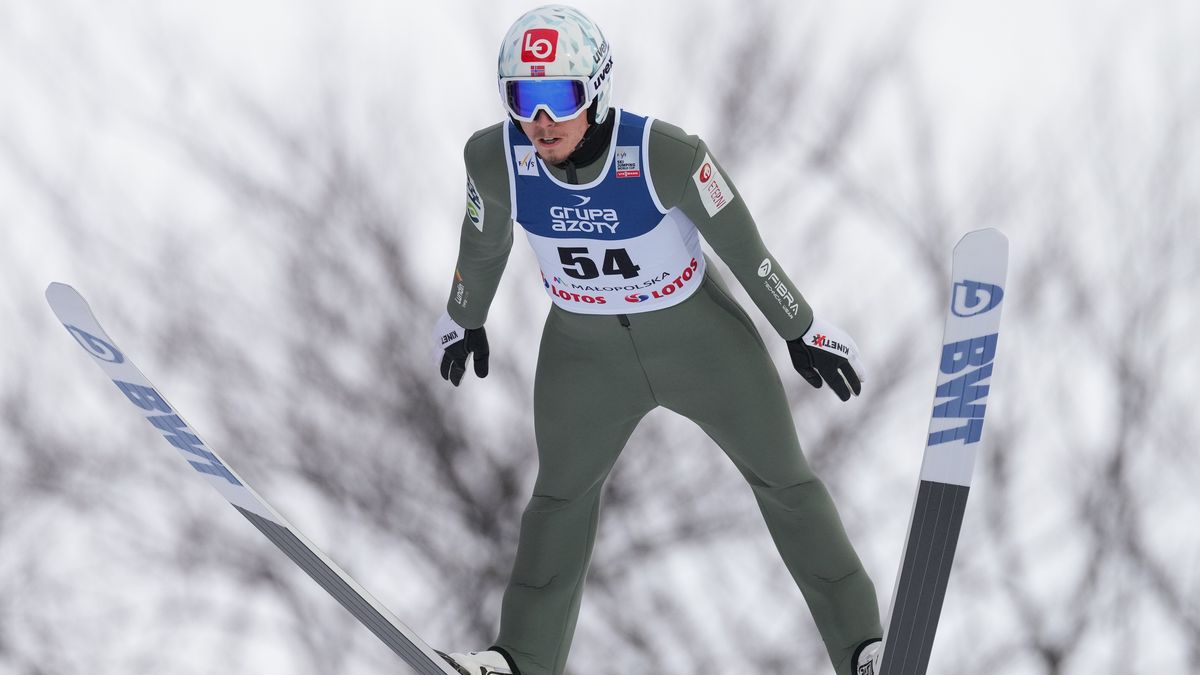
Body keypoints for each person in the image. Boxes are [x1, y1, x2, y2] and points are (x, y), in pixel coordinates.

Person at [433, 5, 883, 675]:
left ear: (598, 88)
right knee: (558, 502)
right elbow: (483, 238)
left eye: (559, 96)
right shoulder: (495, 158)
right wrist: (465, 316)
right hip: (585, 357)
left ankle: (863, 648)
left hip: (700, 343)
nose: (542, 120)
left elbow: (743, 247)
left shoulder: (665, 155)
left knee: (786, 481)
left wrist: (800, 326)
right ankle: (519, 660)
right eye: (524, 98)